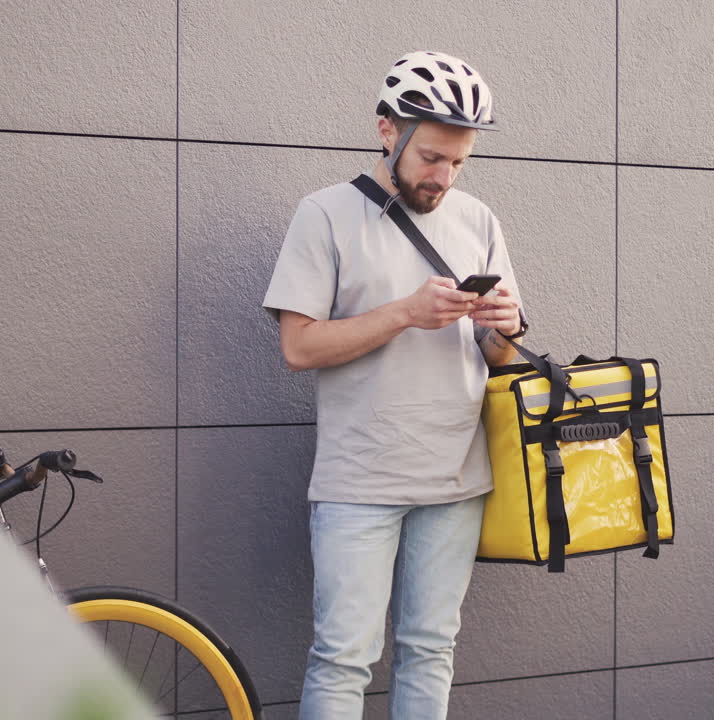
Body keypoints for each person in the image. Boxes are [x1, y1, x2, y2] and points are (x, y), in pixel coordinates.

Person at [261, 50, 527, 719]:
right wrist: (406, 312)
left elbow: (500, 360)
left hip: (456, 480)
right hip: (360, 482)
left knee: (431, 650)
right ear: (387, 131)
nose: (444, 178)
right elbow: (298, 347)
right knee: (343, 658)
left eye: (458, 162)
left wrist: (504, 329)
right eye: (431, 157)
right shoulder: (323, 215)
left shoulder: (478, 220)